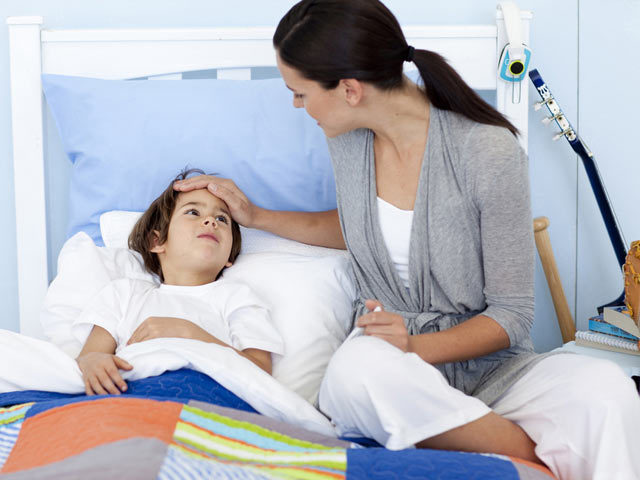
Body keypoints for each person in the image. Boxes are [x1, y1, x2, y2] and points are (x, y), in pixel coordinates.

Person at [174, 1, 640, 479]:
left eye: (300, 93)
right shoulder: (348, 140)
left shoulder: (487, 151)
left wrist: (414, 347)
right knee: (358, 372)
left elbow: (513, 314)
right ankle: (531, 455)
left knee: (606, 390)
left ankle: (479, 434)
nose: (297, 105)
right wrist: (256, 217)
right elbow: (365, 229)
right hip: (386, 369)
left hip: (491, 369)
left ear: (350, 90)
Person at [74, 169, 283, 396]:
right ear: (157, 241)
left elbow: (260, 372)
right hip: (130, 394)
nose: (210, 221)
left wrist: (188, 332)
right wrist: (92, 362)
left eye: (222, 219)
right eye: (193, 212)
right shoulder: (125, 294)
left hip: (203, 398)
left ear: (229, 256)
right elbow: (89, 357)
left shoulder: (237, 297)